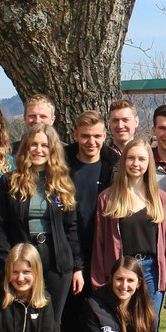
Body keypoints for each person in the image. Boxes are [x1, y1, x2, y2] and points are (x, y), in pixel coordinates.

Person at [91, 137, 166, 332]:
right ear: (123, 161)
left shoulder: (159, 198)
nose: (136, 163)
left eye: (142, 159)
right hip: (121, 273)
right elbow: (100, 244)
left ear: (149, 163)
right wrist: (100, 281)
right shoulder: (108, 198)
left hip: (151, 273)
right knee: (122, 331)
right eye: (131, 158)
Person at [0, 124, 84, 323]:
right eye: (33, 144)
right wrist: (8, 259)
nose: (39, 150)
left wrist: (77, 267)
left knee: (52, 323)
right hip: (21, 262)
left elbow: (71, 227)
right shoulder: (9, 182)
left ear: (53, 149)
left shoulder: (64, 182)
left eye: (45, 145)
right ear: (26, 147)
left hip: (57, 262)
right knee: (23, 320)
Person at [66, 111, 119, 271]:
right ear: (75, 135)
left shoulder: (114, 168)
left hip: (105, 250)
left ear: (104, 136)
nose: (91, 142)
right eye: (85, 136)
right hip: (69, 250)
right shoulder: (62, 168)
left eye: (96, 136)